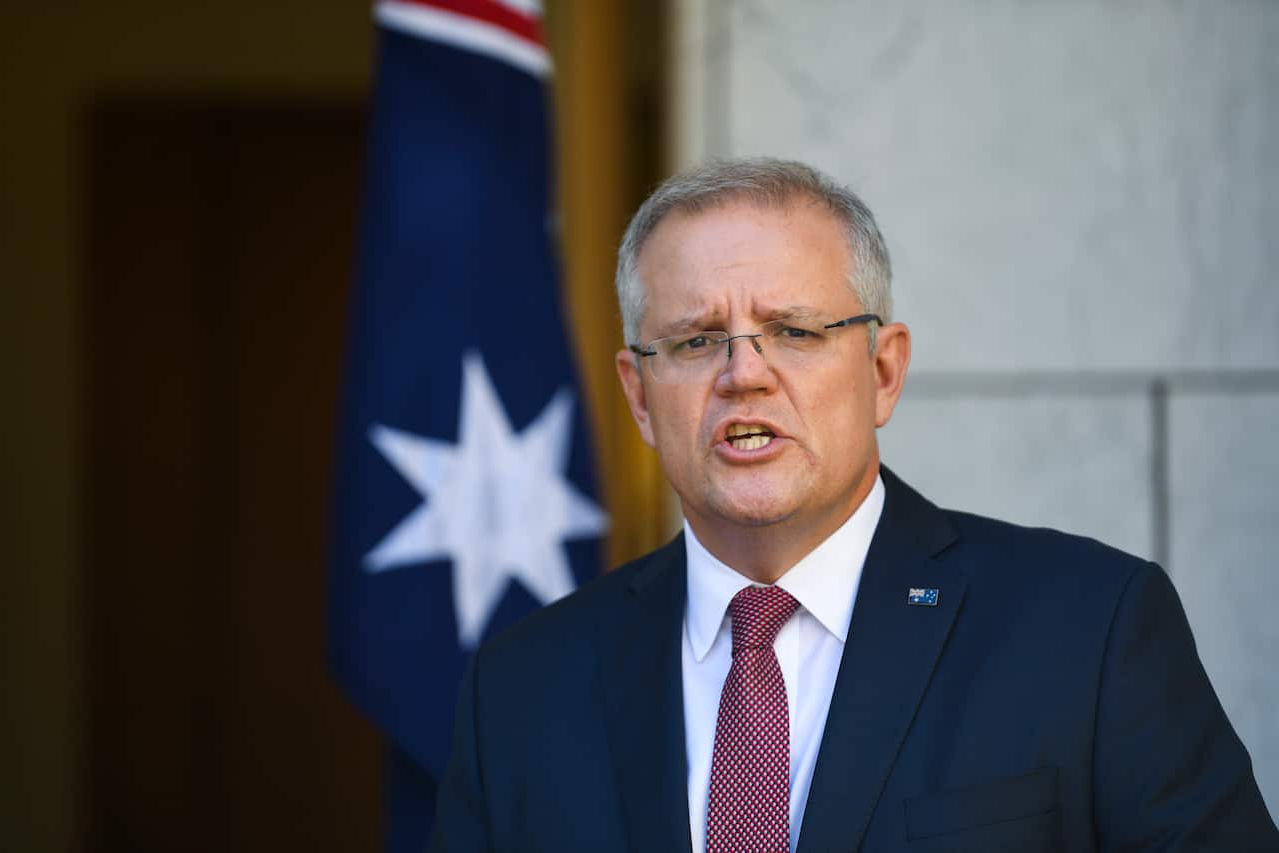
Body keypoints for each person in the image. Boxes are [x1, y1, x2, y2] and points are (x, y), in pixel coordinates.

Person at [429, 158, 1278, 852]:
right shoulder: (520, 690)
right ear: (641, 396)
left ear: (883, 372)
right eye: (694, 341)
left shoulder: (1090, 629)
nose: (743, 373)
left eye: (794, 331)